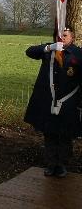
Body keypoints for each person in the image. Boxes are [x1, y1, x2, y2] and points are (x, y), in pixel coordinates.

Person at [25, 28, 82, 178]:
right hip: (49, 100)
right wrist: (49, 47)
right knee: (49, 134)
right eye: (59, 35)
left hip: (68, 102)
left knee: (65, 135)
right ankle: (50, 165)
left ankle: (62, 165)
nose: (61, 37)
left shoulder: (78, 54)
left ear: (72, 38)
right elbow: (30, 52)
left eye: (65, 35)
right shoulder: (50, 49)